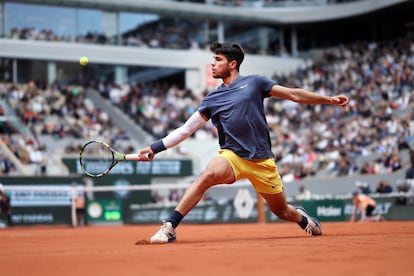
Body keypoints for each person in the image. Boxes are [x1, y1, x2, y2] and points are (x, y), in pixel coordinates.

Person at [138, 42, 349, 243]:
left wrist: (328, 99)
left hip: (262, 160)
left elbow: (293, 94)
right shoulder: (212, 99)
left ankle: (303, 219)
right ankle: (169, 227)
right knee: (207, 176)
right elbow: (186, 129)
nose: (212, 64)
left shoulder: (255, 82)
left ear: (232, 64)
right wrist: (156, 148)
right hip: (233, 156)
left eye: (218, 60)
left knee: (282, 211)